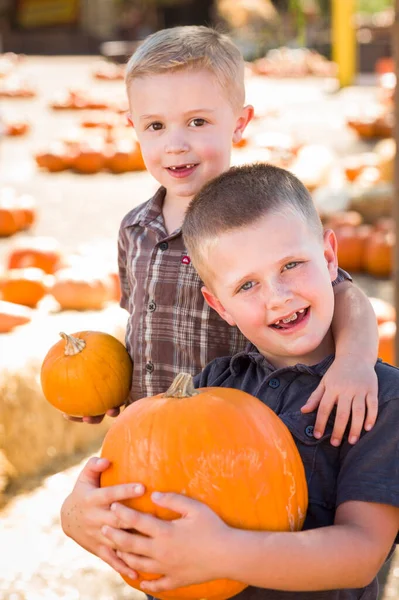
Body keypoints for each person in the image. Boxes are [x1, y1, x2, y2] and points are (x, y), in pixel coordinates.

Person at [60, 25, 382, 574]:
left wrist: (355, 363)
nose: (176, 143)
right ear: (132, 128)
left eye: (198, 122)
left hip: (243, 447)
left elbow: (344, 294)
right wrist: (109, 384)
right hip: (156, 445)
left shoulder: (257, 224)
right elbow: (139, 319)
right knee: (169, 564)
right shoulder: (133, 229)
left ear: (241, 122)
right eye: (156, 126)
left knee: (236, 557)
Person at [87, 163, 399, 599]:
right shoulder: (214, 384)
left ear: (330, 258)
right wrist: (82, 516)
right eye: (247, 285)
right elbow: (147, 483)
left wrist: (223, 554)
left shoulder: (381, 398)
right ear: (221, 307)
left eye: (291, 264)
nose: (278, 295)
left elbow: (362, 553)